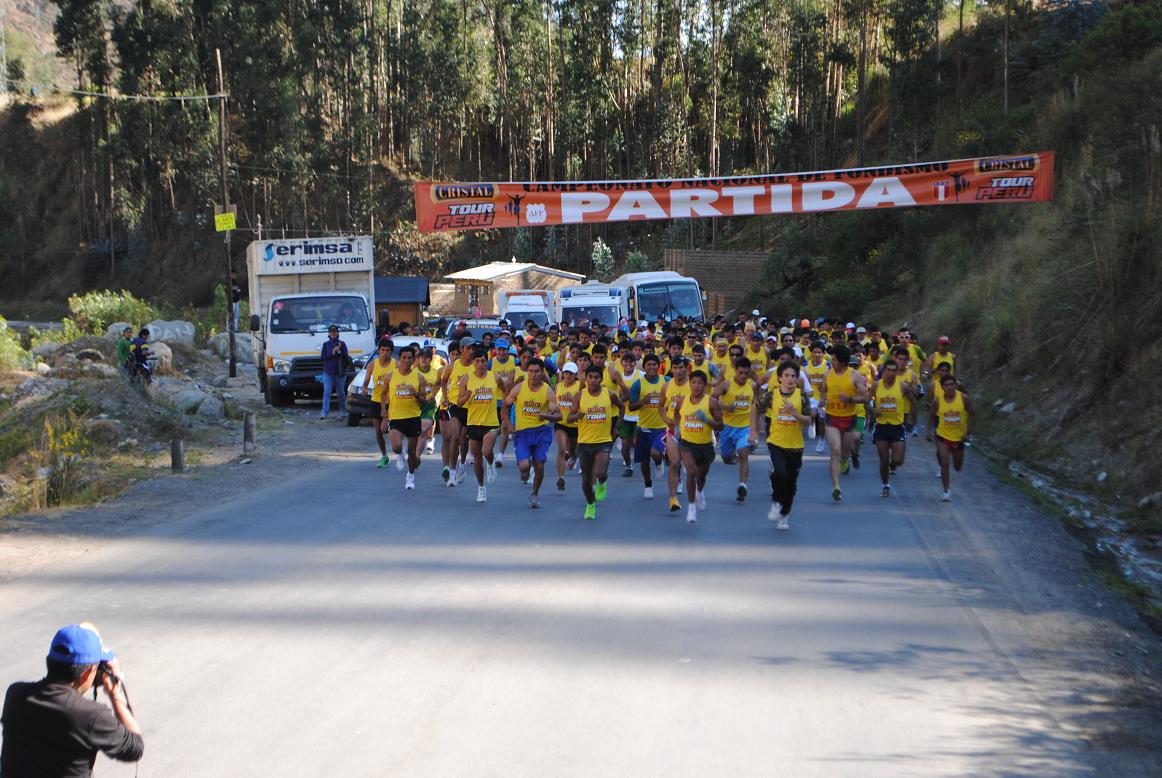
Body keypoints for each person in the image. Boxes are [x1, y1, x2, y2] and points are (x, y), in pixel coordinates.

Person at [1, 623, 143, 776]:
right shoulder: (91, 715)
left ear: (49, 660)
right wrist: (115, 694)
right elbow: (135, 749)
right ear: (88, 673)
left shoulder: (15, 695)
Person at [752, 361, 811, 530]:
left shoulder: (801, 396)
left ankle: (784, 515)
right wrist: (753, 430)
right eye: (786, 375)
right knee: (779, 472)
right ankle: (776, 503)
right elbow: (755, 408)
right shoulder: (772, 395)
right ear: (779, 378)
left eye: (793, 376)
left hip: (795, 445)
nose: (790, 379)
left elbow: (808, 420)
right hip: (776, 441)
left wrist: (794, 413)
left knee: (791, 482)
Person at [568, 364, 624, 520]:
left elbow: (622, 407)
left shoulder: (610, 394)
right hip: (585, 442)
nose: (593, 380)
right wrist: (577, 415)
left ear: (601, 379)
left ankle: (602, 481)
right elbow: (569, 418)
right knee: (586, 479)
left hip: (604, 441)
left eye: (596, 377)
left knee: (600, 472)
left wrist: (617, 427)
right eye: (590, 377)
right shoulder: (579, 395)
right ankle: (590, 505)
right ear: (585, 379)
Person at [503, 358, 561, 508]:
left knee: (540, 465)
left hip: (542, 432)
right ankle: (524, 472)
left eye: (537, 371)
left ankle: (534, 494)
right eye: (531, 371)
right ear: (527, 371)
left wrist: (547, 416)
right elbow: (505, 407)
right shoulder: (519, 388)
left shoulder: (547, 391)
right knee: (524, 466)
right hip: (522, 433)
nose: (534, 375)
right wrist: (509, 424)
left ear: (542, 372)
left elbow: (559, 416)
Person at [817, 343, 870, 503]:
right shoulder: (828, 374)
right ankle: (836, 487)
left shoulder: (855, 376)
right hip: (832, 417)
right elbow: (823, 389)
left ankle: (846, 459)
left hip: (849, 419)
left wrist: (850, 399)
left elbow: (866, 397)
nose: (831, 362)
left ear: (842, 361)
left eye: (834, 360)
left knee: (845, 452)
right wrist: (822, 400)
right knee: (835, 449)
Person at [670, 369, 724, 524]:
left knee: (701, 476)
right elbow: (676, 414)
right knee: (691, 472)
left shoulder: (711, 402)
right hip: (686, 443)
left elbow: (721, 425)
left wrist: (706, 420)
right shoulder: (682, 400)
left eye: (700, 383)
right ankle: (691, 507)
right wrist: (678, 429)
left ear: (705, 385)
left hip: (705, 445)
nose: (696, 386)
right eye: (693, 382)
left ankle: (699, 491)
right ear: (690, 383)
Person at [381, 345, 431, 491]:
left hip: (413, 417)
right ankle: (399, 454)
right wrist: (383, 409)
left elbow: (424, 400)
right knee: (396, 447)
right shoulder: (391, 376)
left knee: (412, 452)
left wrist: (415, 394)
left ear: (413, 359)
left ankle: (410, 476)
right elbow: (384, 394)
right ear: (400, 358)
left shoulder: (419, 377)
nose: (407, 360)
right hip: (396, 417)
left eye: (410, 358)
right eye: (404, 358)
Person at [456, 345, 502, 504]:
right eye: (477, 361)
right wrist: (467, 395)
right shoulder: (467, 378)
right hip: (473, 423)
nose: (480, 364)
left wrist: (505, 409)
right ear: (473, 363)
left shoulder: (494, 377)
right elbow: (459, 403)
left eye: (483, 361)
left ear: (487, 362)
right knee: (476, 459)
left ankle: (491, 462)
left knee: (486, 451)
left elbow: (505, 390)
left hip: (491, 423)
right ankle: (481, 488)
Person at [712, 357, 756, 502]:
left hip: (744, 427)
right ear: (735, 371)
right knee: (725, 457)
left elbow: (756, 407)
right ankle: (733, 457)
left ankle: (743, 485)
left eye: (746, 373)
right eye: (741, 372)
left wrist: (754, 430)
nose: (743, 376)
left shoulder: (752, 386)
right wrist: (725, 407)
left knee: (744, 453)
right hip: (727, 427)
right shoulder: (726, 384)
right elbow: (710, 400)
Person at [627, 353, 668, 499]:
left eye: (654, 364)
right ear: (644, 367)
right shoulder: (638, 384)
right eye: (649, 365)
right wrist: (642, 401)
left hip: (662, 427)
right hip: (643, 427)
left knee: (655, 452)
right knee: (644, 460)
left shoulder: (666, 381)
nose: (652, 367)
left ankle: (659, 461)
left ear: (658, 366)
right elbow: (631, 407)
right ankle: (648, 485)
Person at [928, 373, 975, 501]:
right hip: (942, 435)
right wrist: (929, 432)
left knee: (957, 466)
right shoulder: (938, 401)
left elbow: (972, 414)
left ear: (956, 386)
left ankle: (948, 485)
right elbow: (932, 415)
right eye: (946, 385)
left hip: (959, 437)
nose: (949, 387)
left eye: (952, 385)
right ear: (942, 387)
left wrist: (968, 432)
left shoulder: (963, 398)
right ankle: (946, 491)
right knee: (945, 463)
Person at [870, 359, 911, 497]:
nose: (891, 373)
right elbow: (866, 401)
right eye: (889, 370)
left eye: (894, 370)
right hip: (881, 426)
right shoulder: (876, 385)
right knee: (884, 459)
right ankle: (885, 485)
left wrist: (911, 419)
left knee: (897, 460)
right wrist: (873, 409)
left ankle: (894, 464)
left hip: (897, 426)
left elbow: (914, 401)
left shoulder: (902, 386)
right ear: (884, 371)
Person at [360, 338, 395, 467]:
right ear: (378, 350)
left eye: (388, 350)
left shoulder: (395, 365)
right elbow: (366, 381)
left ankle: (397, 433)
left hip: (391, 402)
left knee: (383, 428)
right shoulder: (372, 365)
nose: (385, 353)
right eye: (382, 350)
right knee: (378, 431)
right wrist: (364, 388)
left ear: (391, 352)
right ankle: (384, 455)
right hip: (376, 401)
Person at [553, 362, 582, 491]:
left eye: (571, 373)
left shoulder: (580, 386)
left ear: (576, 375)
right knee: (561, 449)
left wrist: (574, 399)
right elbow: (554, 402)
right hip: (561, 423)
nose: (568, 375)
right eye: (566, 372)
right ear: (563, 373)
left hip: (575, 424)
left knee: (572, 450)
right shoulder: (558, 386)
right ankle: (561, 477)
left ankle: (573, 457)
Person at [319, 325, 349, 420]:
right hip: (328, 372)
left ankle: (343, 411)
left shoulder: (342, 344)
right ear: (328, 333)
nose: (333, 333)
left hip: (340, 372)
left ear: (338, 333)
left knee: (341, 393)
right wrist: (332, 353)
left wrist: (339, 350)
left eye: (335, 332)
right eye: (331, 332)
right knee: (327, 392)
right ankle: (324, 412)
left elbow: (347, 358)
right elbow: (322, 358)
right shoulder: (326, 344)